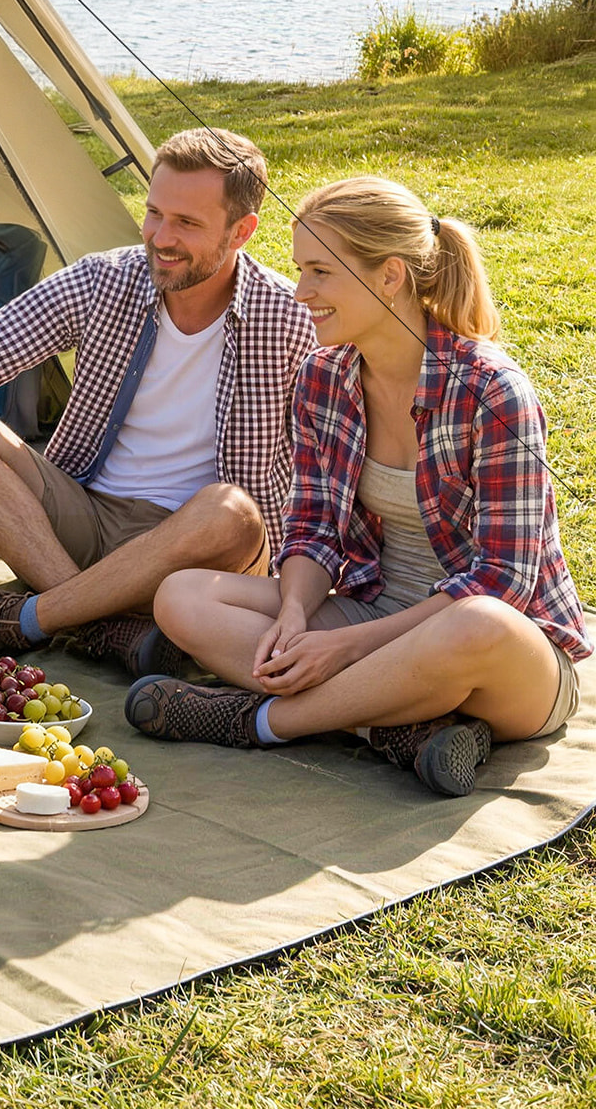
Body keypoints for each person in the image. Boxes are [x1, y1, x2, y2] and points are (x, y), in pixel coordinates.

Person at [127, 178, 586, 797]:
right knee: (181, 595)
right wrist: (293, 614)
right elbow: (313, 528)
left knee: (477, 624)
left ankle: (262, 720)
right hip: (373, 608)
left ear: (390, 275)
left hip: (501, 656)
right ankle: (399, 729)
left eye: (320, 271)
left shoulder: (492, 390)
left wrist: (345, 647)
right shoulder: (323, 377)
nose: (302, 292)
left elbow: (503, 584)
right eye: (300, 270)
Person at [0, 127, 315, 674]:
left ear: (241, 232)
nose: (161, 237)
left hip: (199, 558)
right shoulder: (105, 281)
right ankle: (95, 625)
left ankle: (26, 618)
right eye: (155, 212)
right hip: (81, 521)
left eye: (187, 223)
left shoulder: (291, 320)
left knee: (229, 512)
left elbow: (342, 456)